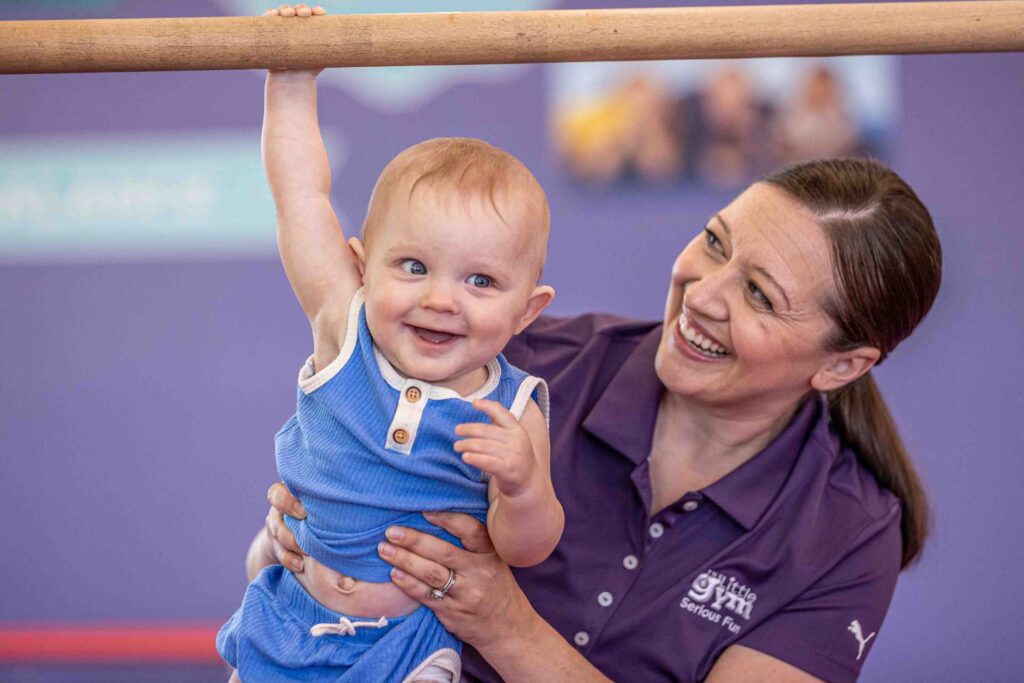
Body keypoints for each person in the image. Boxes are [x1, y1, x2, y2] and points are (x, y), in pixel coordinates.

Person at [258, 156, 942, 681]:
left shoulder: (849, 530)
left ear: (842, 366)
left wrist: (507, 627)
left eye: (759, 295)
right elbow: (323, 506)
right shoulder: (516, 363)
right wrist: (303, 537)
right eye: (714, 241)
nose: (703, 293)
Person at [217, 5, 564, 682]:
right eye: (413, 267)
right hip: (287, 623)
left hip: (407, 649)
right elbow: (301, 196)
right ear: (360, 266)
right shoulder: (344, 332)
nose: (441, 298)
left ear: (528, 311)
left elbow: (527, 548)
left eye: (481, 280)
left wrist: (521, 484)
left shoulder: (513, 410)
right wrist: (290, 78)